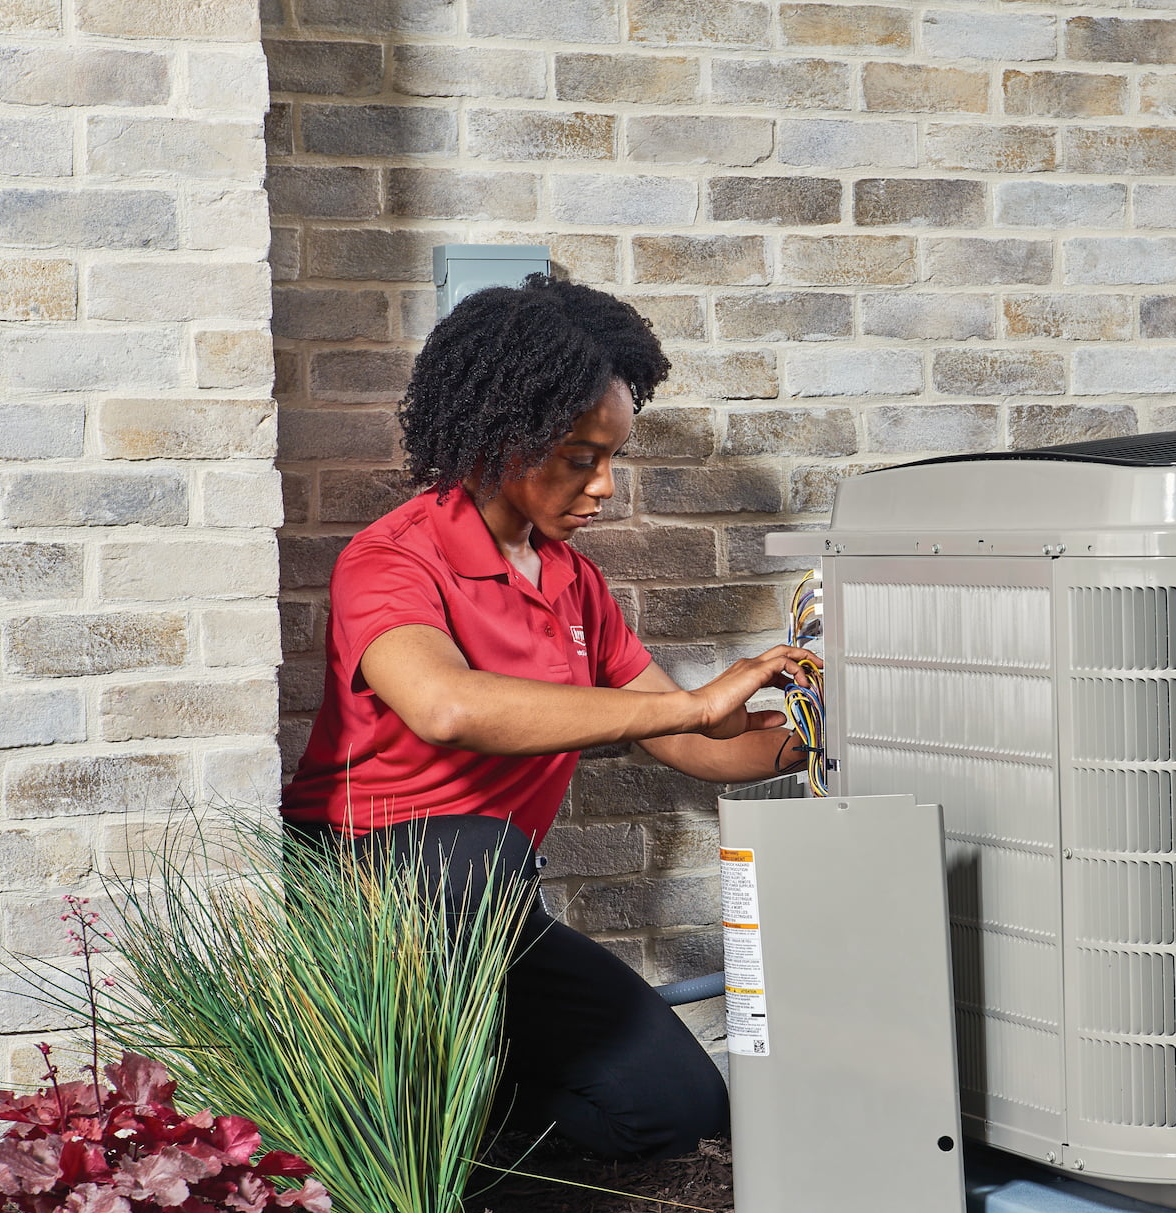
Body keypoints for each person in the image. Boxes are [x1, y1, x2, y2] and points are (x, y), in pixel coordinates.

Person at [282, 274, 813, 1160]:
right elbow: (446, 706)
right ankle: (391, 1119)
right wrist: (691, 699)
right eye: (579, 456)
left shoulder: (572, 579)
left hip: (482, 903)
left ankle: (468, 1137)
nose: (604, 486)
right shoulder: (392, 560)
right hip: (372, 887)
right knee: (480, 851)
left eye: (612, 456)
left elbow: (687, 738)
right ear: (504, 436)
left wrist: (827, 733)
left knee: (679, 1110)